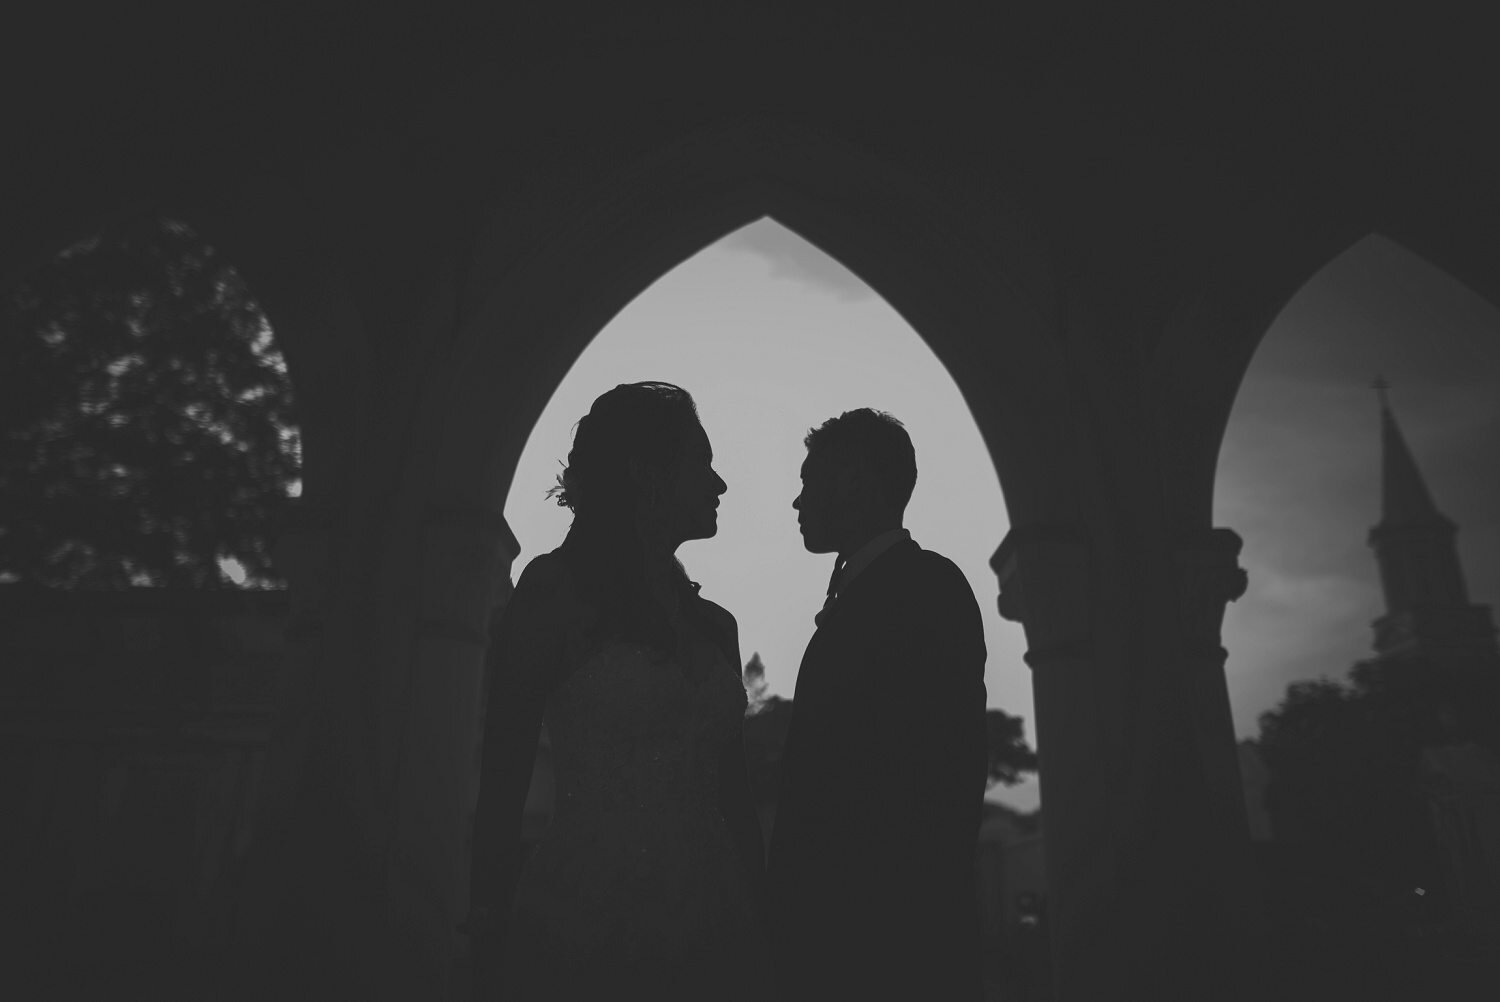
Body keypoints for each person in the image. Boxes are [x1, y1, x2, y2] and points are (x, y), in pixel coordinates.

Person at [466, 382, 772, 1000]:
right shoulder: (552, 595)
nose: (719, 485)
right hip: (587, 903)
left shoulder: (717, 628)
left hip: (715, 908)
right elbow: (503, 774)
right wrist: (488, 919)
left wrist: (763, 910)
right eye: (701, 464)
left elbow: (734, 792)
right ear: (644, 473)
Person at [767, 407, 989, 1001]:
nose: (797, 502)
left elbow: (946, 769)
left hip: (884, 941)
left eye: (809, 481)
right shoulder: (867, 589)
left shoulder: (929, 588)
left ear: (854, 482)